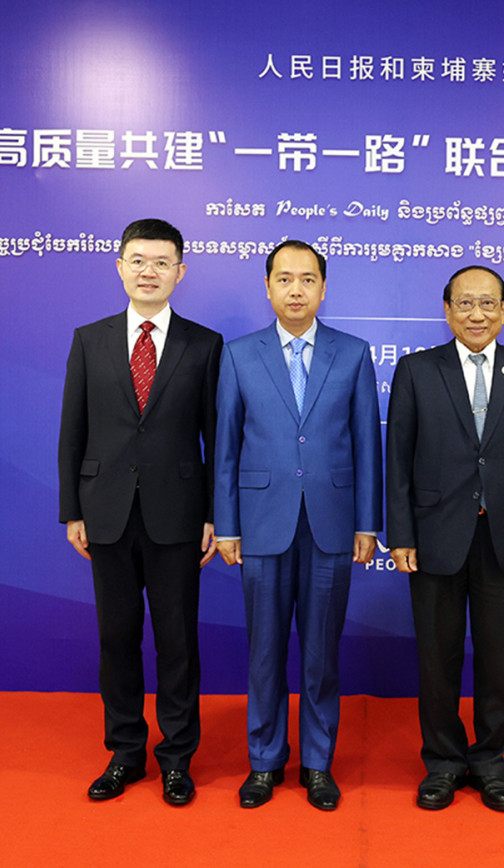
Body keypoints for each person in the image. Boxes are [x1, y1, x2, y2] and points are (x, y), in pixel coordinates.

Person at [386, 265, 504, 813]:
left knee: (498, 658)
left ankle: (490, 761)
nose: (477, 314)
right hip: (435, 535)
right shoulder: (417, 370)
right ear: (447, 310)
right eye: (465, 303)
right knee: (437, 659)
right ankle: (442, 761)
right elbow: (398, 460)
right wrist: (401, 533)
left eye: (488, 303)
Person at [58, 218, 222, 806]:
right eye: (138, 260)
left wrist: (214, 514)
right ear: (120, 267)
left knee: (178, 643)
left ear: (180, 271)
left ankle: (177, 758)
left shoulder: (204, 344)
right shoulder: (90, 339)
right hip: (105, 513)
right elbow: (72, 430)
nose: (149, 272)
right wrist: (71, 509)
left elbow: (216, 437)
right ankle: (125, 753)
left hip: (178, 516)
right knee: (117, 638)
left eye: (161, 262)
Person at [214, 240, 382, 812]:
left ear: (323, 288)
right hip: (261, 523)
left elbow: (367, 444)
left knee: (320, 654)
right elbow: (226, 449)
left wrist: (367, 523)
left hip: (331, 523)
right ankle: (264, 761)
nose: (295, 290)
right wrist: (227, 525)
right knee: (264, 652)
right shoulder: (239, 355)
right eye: (284, 279)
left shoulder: (352, 353)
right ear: (267, 287)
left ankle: (317, 763)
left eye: (307, 279)